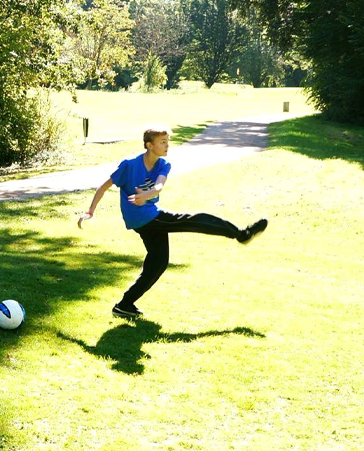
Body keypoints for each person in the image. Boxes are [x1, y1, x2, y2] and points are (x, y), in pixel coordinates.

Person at [78, 126, 268, 318]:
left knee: (159, 262)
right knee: (193, 221)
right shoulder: (129, 165)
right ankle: (241, 234)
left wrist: (147, 195)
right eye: (162, 142)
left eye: (167, 141)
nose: (167, 146)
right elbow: (103, 187)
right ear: (149, 145)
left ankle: (124, 305)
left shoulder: (163, 165)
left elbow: (159, 185)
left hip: (149, 217)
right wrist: (90, 211)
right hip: (144, 218)